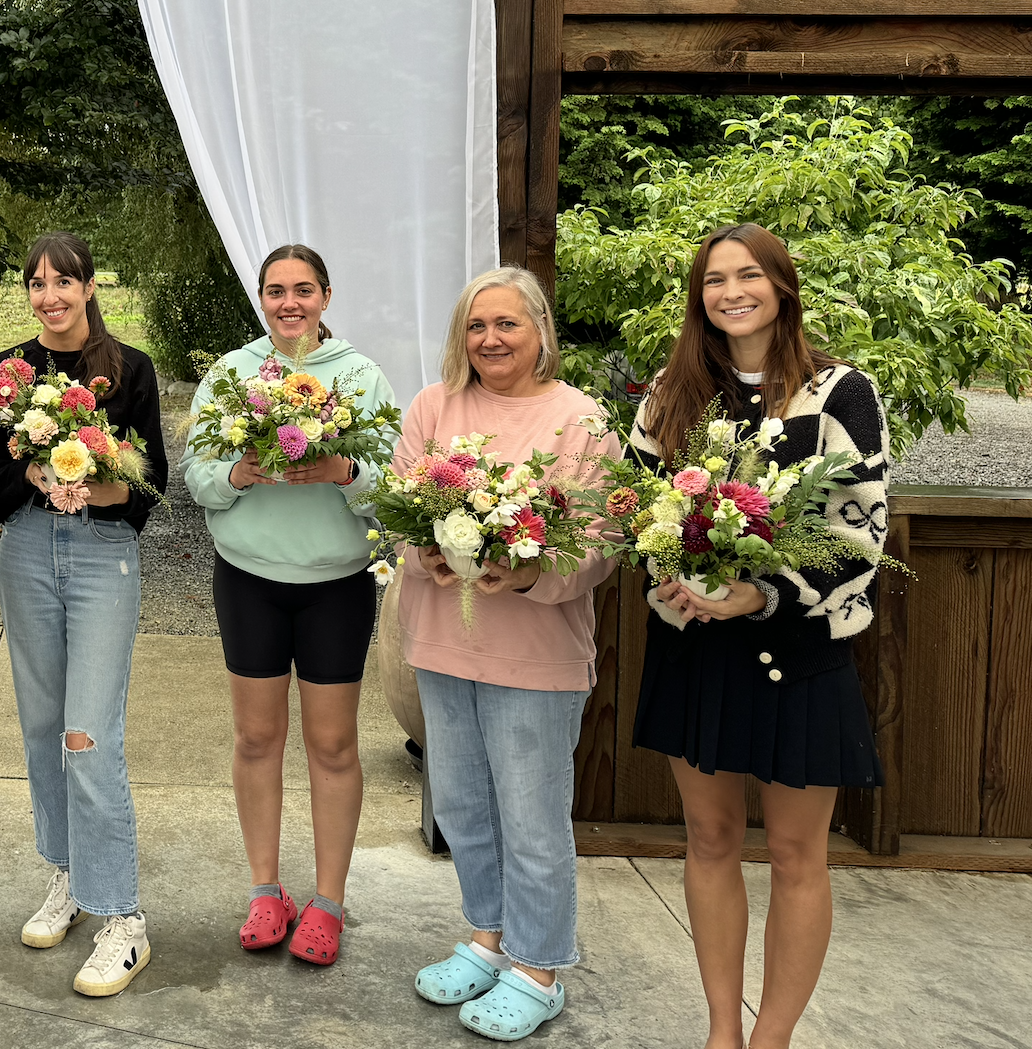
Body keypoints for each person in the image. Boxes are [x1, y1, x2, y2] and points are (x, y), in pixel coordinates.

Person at [629, 224, 890, 1049]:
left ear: (781, 287)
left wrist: (762, 593)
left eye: (748, 276)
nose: (730, 291)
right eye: (714, 279)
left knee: (794, 853)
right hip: (696, 645)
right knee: (707, 838)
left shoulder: (840, 393)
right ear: (698, 296)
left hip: (801, 651)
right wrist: (675, 583)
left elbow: (860, 532)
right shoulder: (671, 395)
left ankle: (770, 1038)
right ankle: (720, 1032)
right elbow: (640, 517)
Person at [395, 268, 621, 1040]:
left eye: (507, 325)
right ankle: (488, 939)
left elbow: (600, 542)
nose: (490, 339)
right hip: (442, 641)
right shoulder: (434, 406)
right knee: (461, 804)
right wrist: (423, 547)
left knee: (532, 818)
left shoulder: (581, 420)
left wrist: (530, 570)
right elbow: (399, 502)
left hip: (535, 652)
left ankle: (540, 965)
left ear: (541, 331)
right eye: (476, 325)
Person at [184, 243, 394, 969]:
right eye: (276, 291)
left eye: (304, 290)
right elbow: (198, 477)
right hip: (250, 579)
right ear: (262, 299)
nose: (289, 303)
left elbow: (395, 483)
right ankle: (266, 889)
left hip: (335, 583)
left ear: (327, 298)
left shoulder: (361, 379)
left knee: (333, 745)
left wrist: (344, 468)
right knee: (255, 739)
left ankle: (328, 901)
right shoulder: (232, 375)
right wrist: (239, 471)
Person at [0, 232, 168, 997]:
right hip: (25, 551)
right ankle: (66, 878)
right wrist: (35, 470)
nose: (49, 295)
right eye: (36, 283)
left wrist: (90, 483)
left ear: (90, 287)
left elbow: (149, 483)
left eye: (64, 281)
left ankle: (123, 915)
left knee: (88, 735)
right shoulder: (8, 372)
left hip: (99, 558)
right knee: (40, 729)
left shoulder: (130, 370)